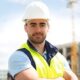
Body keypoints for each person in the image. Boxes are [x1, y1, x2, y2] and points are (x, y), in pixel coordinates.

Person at [8, 1, 78, 80]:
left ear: (48, 27)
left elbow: (73, 78)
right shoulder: (18, 57)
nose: (38, 30)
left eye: (42, 24)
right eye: (33, 24)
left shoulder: (59, 57)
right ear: (25, 28)